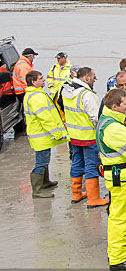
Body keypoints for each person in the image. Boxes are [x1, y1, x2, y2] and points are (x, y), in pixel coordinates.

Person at [97, 89, 126, 270]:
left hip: (119, 177)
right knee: (121, 218)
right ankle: (118, 258)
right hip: (121, 177)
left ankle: (119, 251)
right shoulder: (112, 128)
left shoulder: (111, 121)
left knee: (120, 216)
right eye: (125, 104)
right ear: (115, 107)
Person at [62, 66, 108, 207]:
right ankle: (93, 198)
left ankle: (76, 194)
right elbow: (96, 118)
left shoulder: (66, 90)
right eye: (94, 77)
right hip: (88, 136)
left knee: (76, 163)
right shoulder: (87, 95)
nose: (96, 79)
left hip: (74, 136)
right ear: (87, 78)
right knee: (91, 166)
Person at [23, 70, 67, 198]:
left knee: (45, 159)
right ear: (33, 82)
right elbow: (45, 118)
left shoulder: (36, 93)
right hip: (40, 135)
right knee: (41, 162)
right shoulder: (36, 97)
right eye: (40, 78)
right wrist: (57, 133)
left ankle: (45, 182)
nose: (43, 80)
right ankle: (37, 190)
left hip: (40, 135)